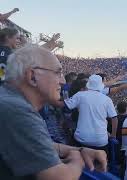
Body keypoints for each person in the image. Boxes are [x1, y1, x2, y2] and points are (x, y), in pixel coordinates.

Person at [0, 45, 107, 179]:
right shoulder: (18, 110)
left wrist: (78, 149)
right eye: (58, 72)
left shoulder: (10, 101)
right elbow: (60, 177)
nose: (62, 81)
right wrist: (77, 159)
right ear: (32, 76)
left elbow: (37, 144)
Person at [55, 74, 118, 153]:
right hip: (100, 140)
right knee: (100, 163)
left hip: (82, 138)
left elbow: (62, 104)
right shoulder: (107, 99)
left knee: (81, 162)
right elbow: (114, 118)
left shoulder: (80, 95)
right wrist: (113, 135)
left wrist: (49, 97)